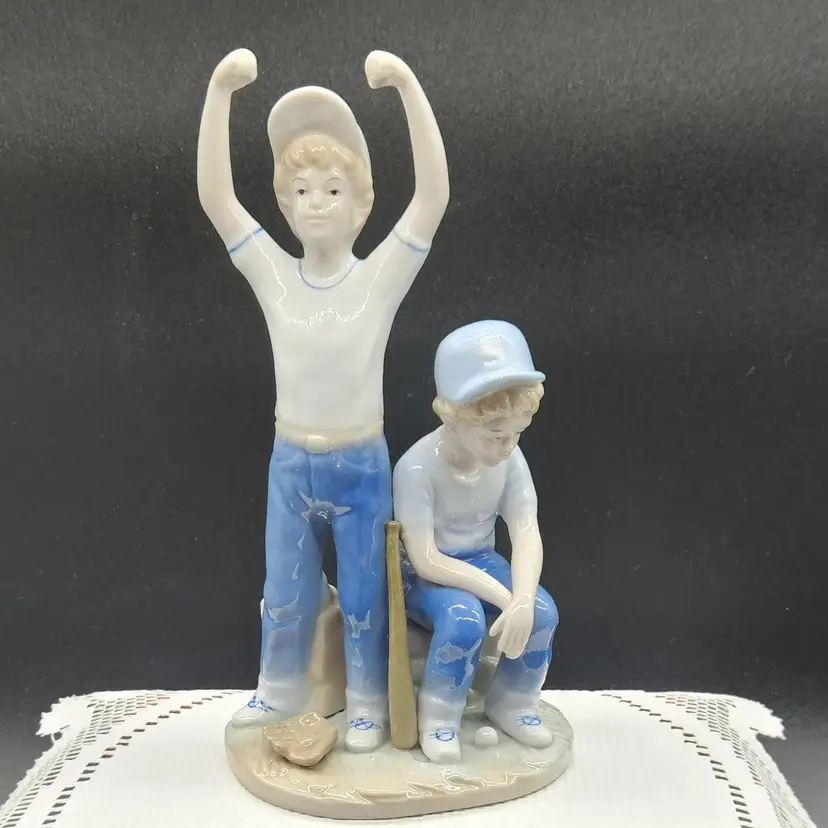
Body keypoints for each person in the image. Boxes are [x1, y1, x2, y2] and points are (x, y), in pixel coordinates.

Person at [197, 48, 449, 753]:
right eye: (301, 190)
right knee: (285, 587)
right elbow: (217, 200)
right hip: (290, 462)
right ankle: (279, 688)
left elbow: (432, 198)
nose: (315, 202)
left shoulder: (377, 280)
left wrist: (407, 86)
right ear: (284, 203)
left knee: (365, 593)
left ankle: (366, 699)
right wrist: (219, 94)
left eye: (333, 189)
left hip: (359, 465)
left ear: (361, 202)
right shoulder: (275, 276)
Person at [393, 320, 559, 764]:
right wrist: (505, 599)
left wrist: (523, 599)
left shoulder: (510, 460)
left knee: (542, 612)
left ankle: (513, 702)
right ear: (452, 417)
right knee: (463, 619)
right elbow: (426, 559)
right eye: (495, 435)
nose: (507, 447)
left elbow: (526, 531)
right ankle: (439, 715)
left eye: (517, 434)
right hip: (424, 577)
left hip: (481, 560)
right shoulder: (416, 469)